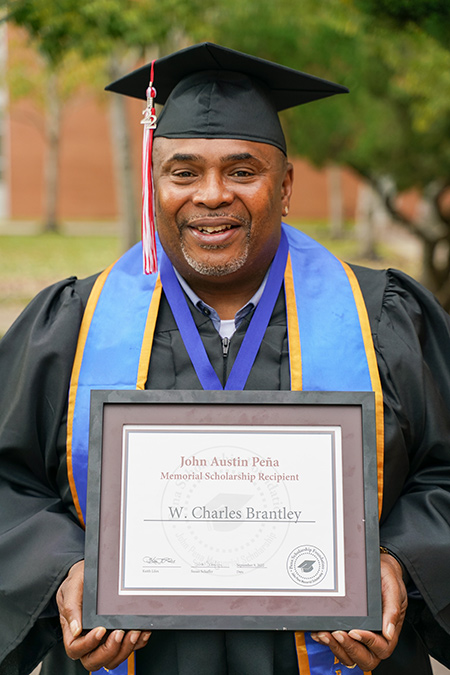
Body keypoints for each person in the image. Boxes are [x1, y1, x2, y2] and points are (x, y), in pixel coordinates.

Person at [0, 42, 450, 675]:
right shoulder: (71, 327)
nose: (211, 196)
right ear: (155, 185)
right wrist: (64, 573)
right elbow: (8, 484)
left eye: (242, 172)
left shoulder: (383, 320)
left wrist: (401, 562)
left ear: (286, 186)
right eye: (183, 173)